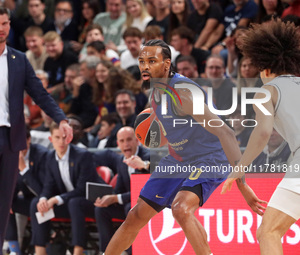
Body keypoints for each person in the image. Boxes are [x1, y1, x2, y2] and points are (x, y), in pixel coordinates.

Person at [103, 39, 264, 255]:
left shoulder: (183, 93)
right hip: (179, 159)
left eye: (152, 61)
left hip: (211, 157)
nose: (145, 66)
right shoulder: (156, 91)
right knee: (135, 216)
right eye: (142, 61)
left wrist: (242, 185)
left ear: (167, 64)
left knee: (181, 208)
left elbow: (226, 132)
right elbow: (177, 129)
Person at [0, 5, 73, 255]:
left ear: (9, 25)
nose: (1, 28)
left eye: (5, 23)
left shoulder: (19, 59)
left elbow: (39, 93)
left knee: (4, 201)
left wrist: (61, 119)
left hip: (12, 138)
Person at [221, 19, 300, 255]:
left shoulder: (267, 91)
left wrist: (240, 167)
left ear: (264, 68)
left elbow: (263, 132)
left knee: (268, 232)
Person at [30, 122, 103, 255]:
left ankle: (78, 251)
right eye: (57, 138)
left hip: (91, 201)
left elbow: (82, 189)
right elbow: (48, 185)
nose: (61, 141)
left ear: (69, 138)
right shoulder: (50, 157)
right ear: (51, 139)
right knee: (37, 203)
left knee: (75, 203)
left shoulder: (82, 155)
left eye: (64, 137)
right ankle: (40, 251)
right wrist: (44, 198)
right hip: (68, 203)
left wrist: (56, 200)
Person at [94, 126, 150, 253]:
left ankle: (132, 251)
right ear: (118, 144)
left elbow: (143, 192)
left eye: (129, 140)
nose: (126, 144)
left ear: (137, 141)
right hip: (130, 204)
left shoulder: (147, 157)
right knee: (101, 209)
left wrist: (115, 198)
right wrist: (107, 198)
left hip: (148, 206)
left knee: (129, 207)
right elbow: (119, 189)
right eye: (122, 141)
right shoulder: (121, 160)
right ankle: (107, 251)